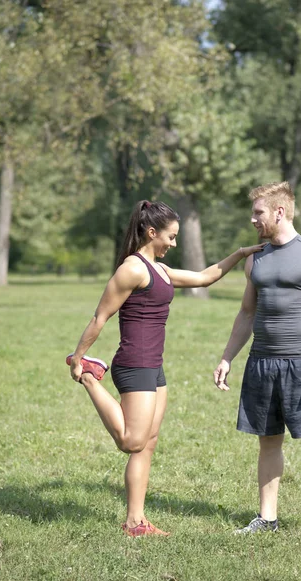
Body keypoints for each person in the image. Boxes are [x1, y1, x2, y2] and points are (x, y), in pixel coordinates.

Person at [67, 199, 262, 538]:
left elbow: (204, 278)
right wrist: (78, 356)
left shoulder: (158, 268)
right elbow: (100, 316)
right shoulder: (133, 268)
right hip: (133, 364)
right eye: (170, 237)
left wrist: (243, 252)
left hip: (154, 367)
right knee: (131, 440)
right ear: (152, 232)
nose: (174, 243)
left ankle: (135, 522)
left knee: (148, 443)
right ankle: (88, 376)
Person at [213, 182, 301, 544]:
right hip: (260, 363)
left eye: (258, 213)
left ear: (279, 212)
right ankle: (267, 518)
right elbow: (246, 313)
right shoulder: (256, 258)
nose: (253, 219)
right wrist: (227, 357)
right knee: (268, 442)